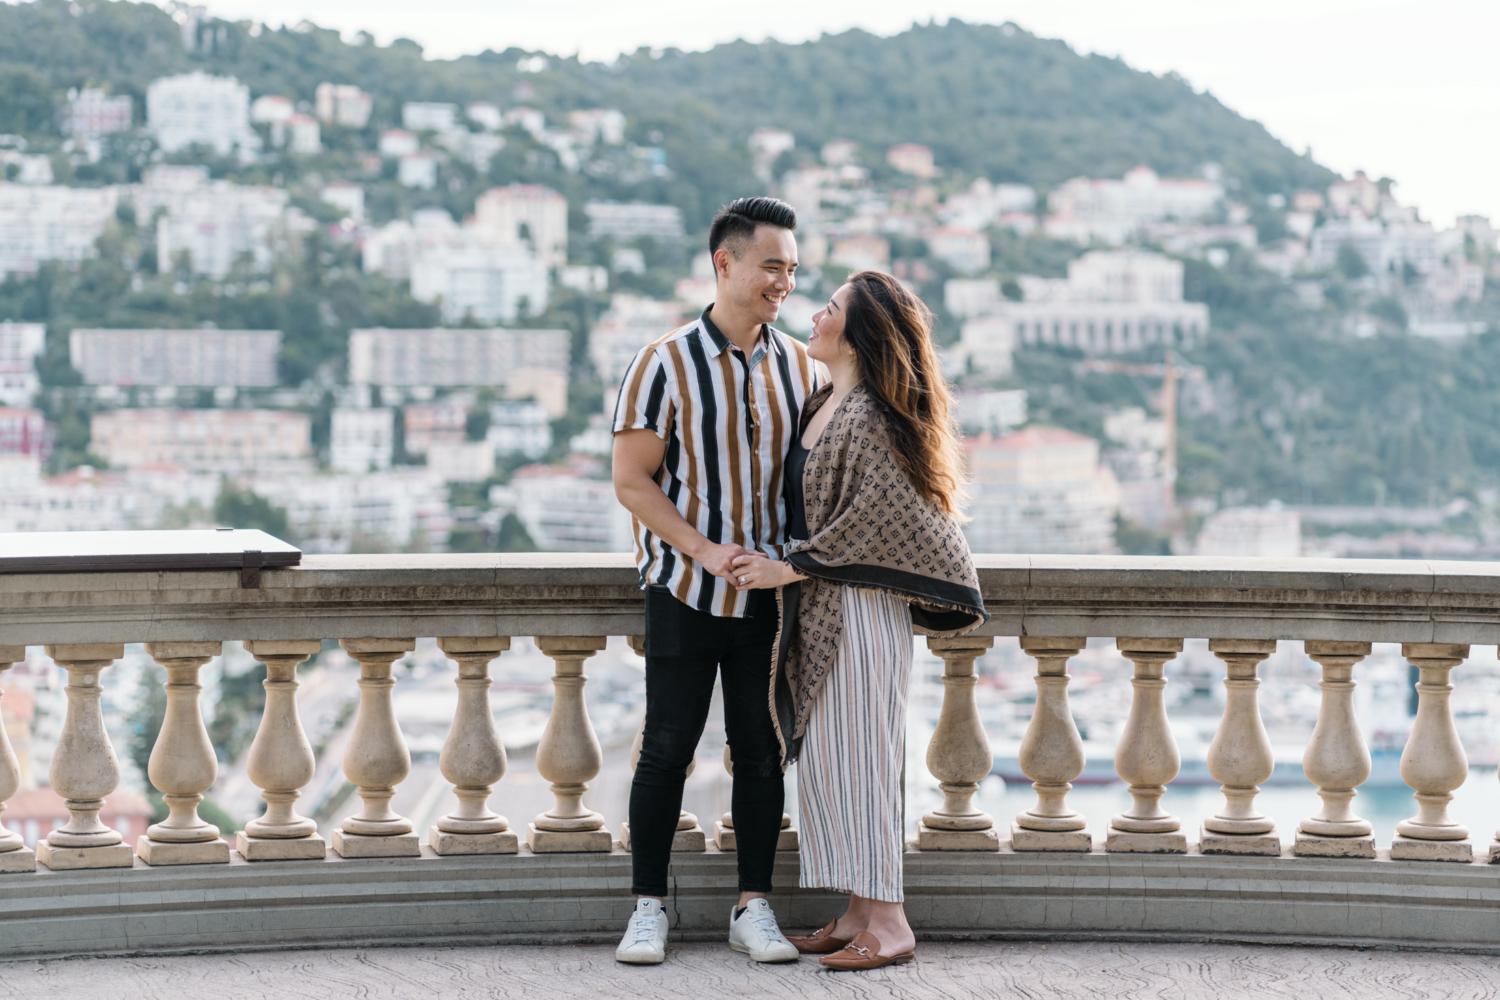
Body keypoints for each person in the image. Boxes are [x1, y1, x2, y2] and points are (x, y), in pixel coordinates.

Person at [730, 269, 988, 971]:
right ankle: (856, 911)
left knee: (864, 763)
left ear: (860, 332)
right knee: (830, 764)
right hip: (825, 605)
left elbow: (878, 517)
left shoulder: (870, 414)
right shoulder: (825, 401)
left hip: (862, 608)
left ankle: (892, 922)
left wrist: (789, 567)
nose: (816, 314)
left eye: (833, 308)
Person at [610, 197, 822, 966]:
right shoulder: (660, 364)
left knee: (760, 752)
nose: (784, 282)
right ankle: (647, 907)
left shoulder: (803, 367)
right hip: (683, 590)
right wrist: (700, 549)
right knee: (665, 750)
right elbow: (632, 481)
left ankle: (752, 907)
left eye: (793, 269)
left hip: (769, 597)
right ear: (724, 263)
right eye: (772, 265)